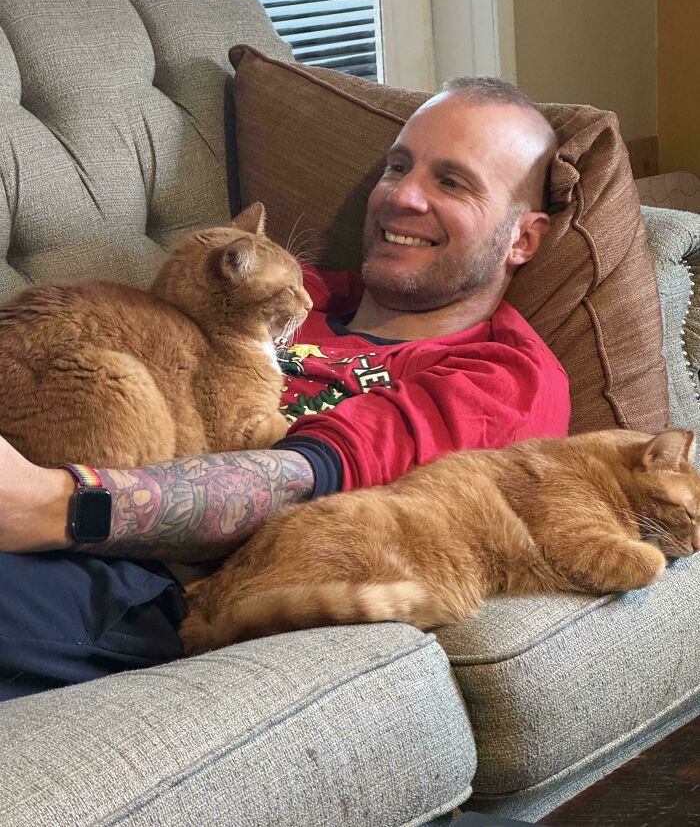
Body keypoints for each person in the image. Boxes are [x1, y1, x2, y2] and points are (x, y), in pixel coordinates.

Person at [0, 77, 569, 700]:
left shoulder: (499, 374)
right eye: (398, 166)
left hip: (159, 582)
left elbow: (301, 482)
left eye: (452, 182)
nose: (402, 195)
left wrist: (55, 505)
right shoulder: (296, 289)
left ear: (523, 239)